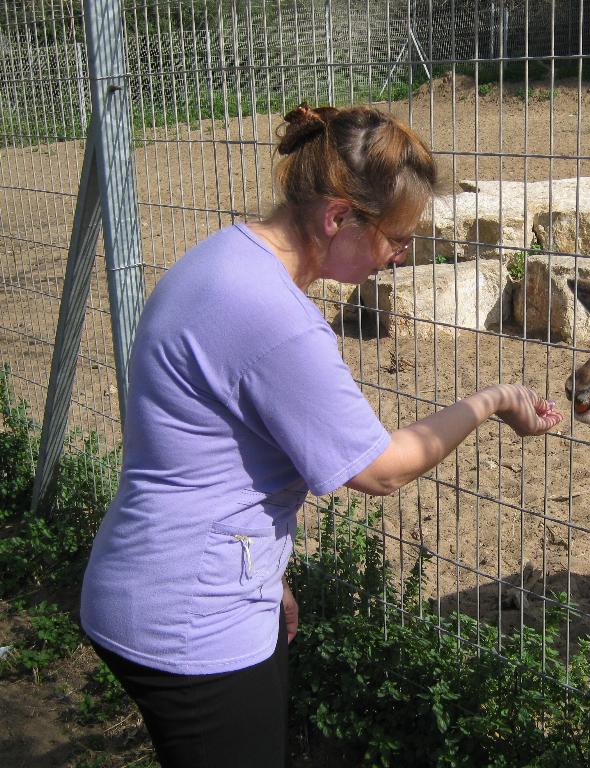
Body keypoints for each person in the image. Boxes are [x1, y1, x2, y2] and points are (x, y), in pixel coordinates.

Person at [79, 103, 562, 767]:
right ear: (339, 216)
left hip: (149, 579)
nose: (397, 257)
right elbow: (383, 470)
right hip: (193, 620)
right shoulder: (276, 319)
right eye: (395, 238)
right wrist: (494, 398)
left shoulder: (221, 258)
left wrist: (262, 570)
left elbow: (196, 442)